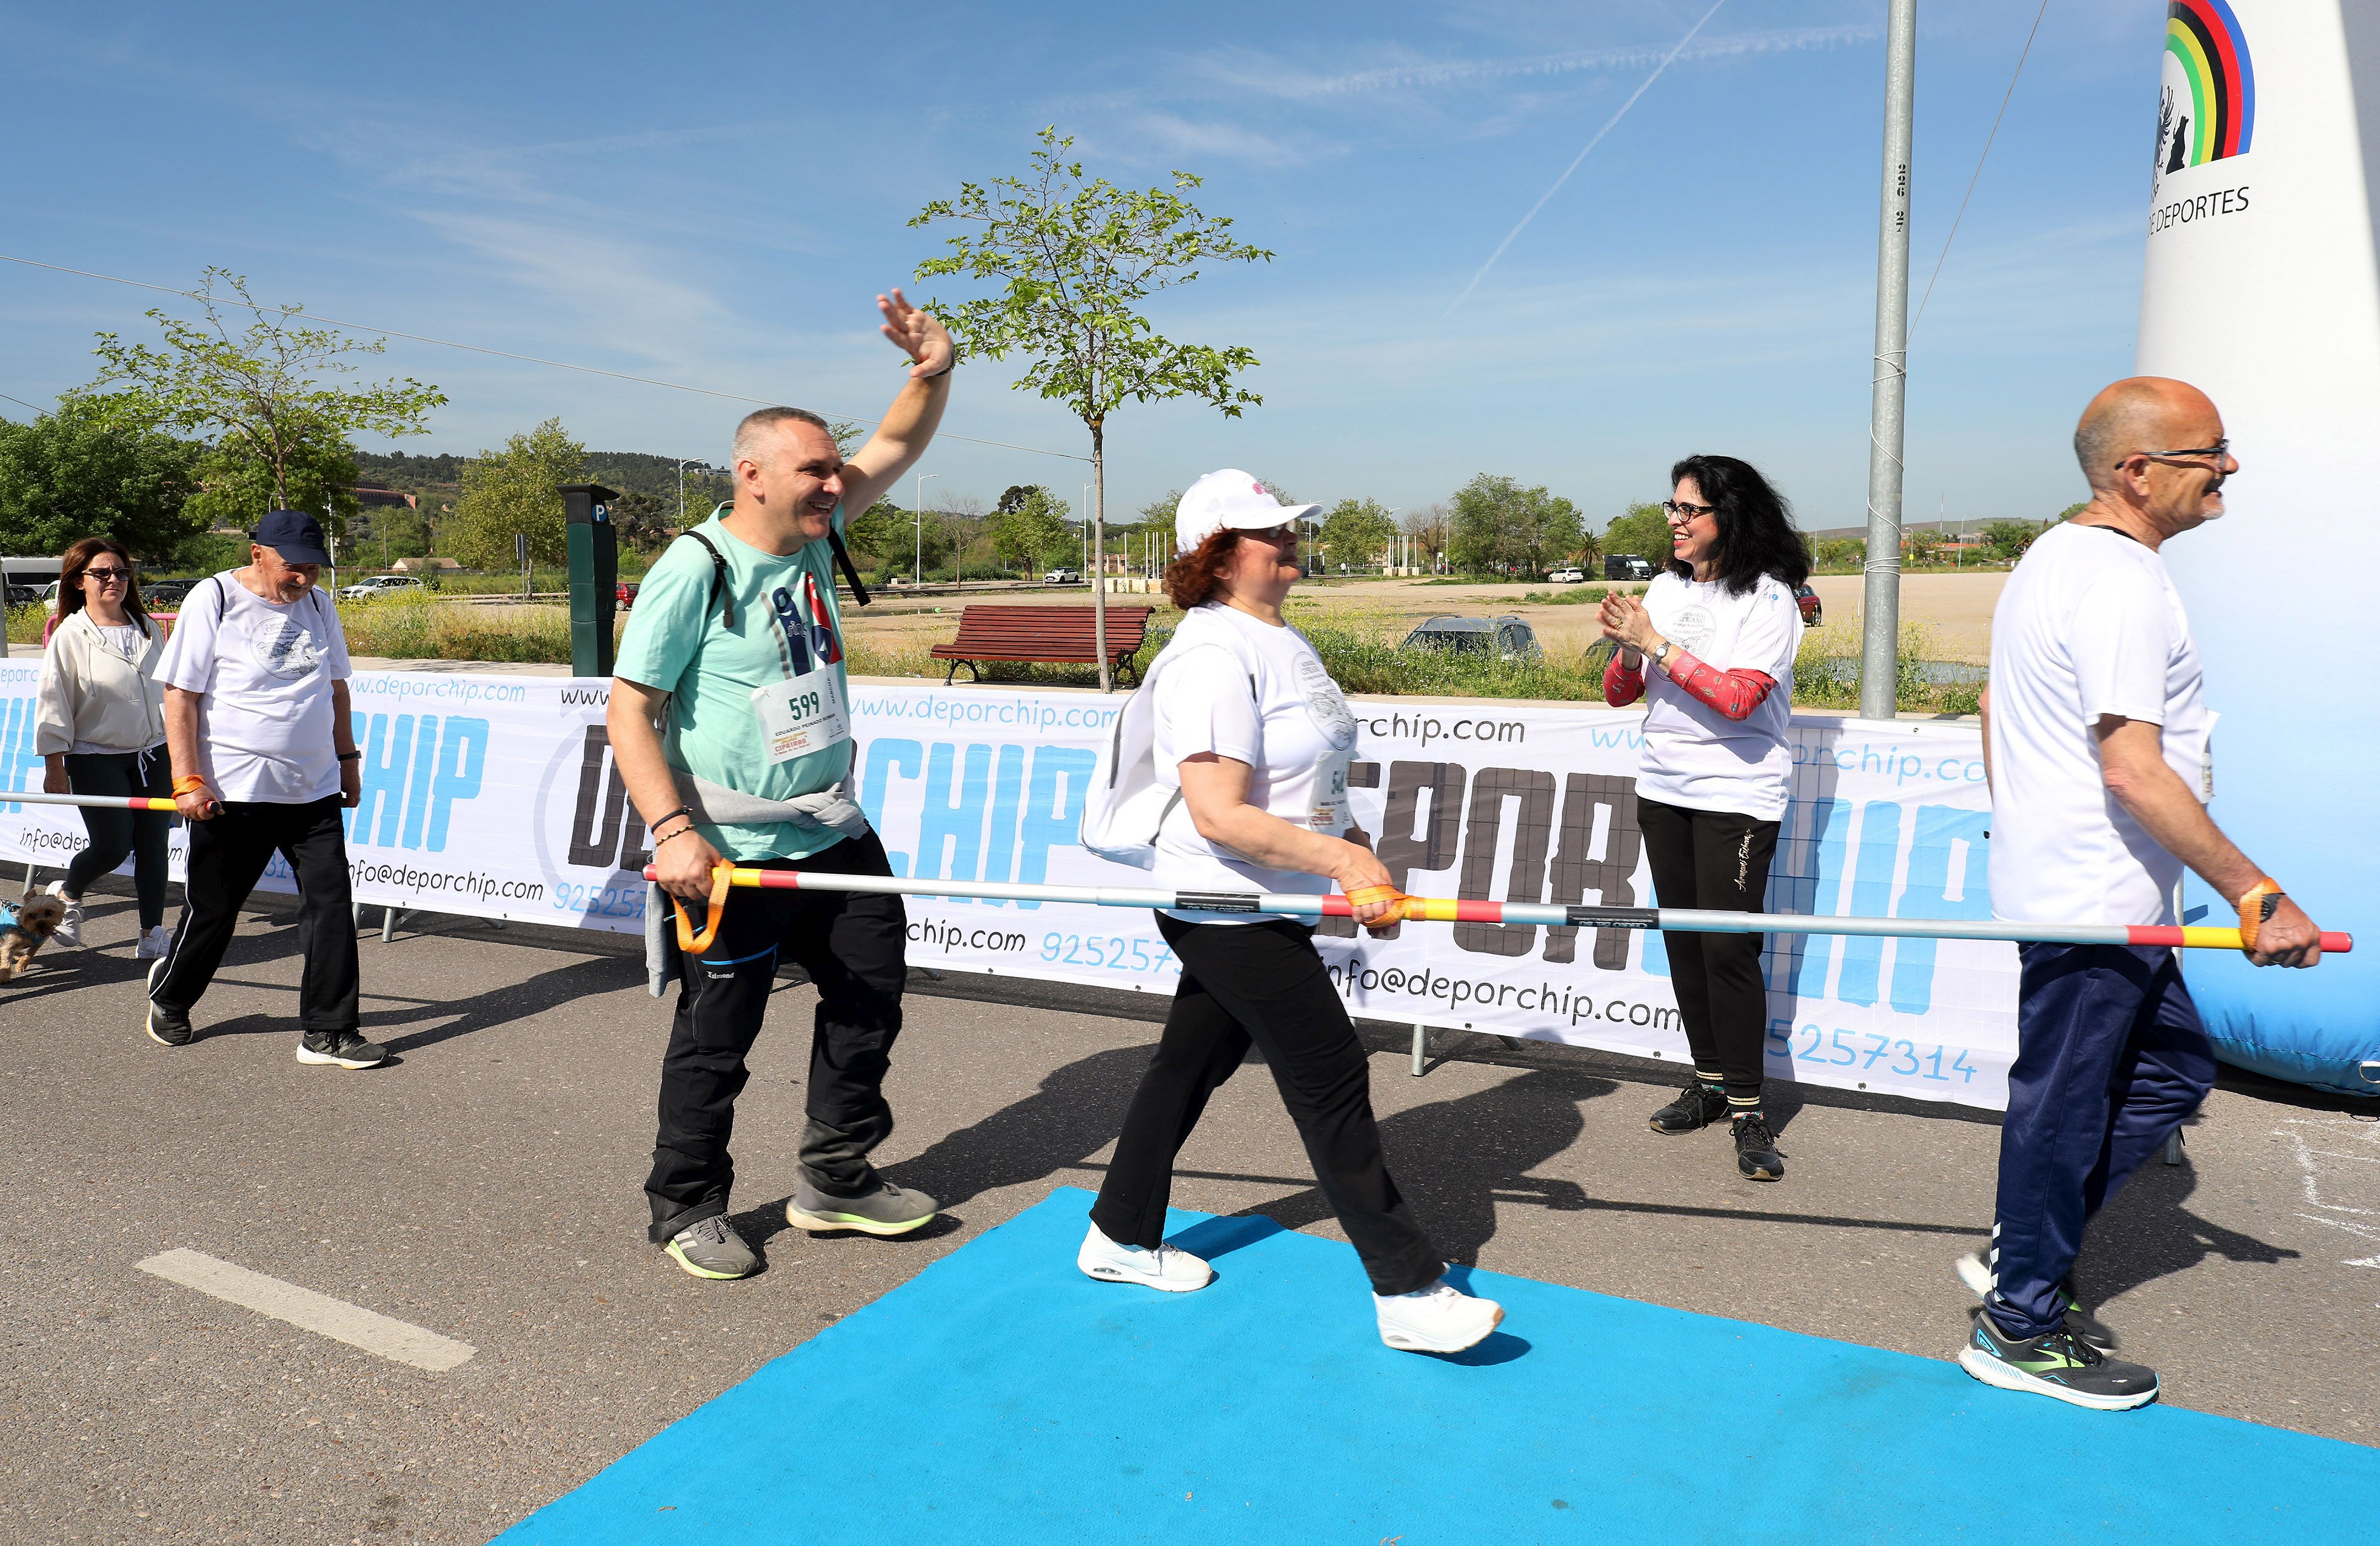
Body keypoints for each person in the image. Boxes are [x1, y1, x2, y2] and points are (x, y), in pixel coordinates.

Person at [1078, 468, 1506, 1356]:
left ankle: (1117, 1231)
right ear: (1218, 554)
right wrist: (1345, 861)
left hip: (1272, 895)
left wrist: (1360, 862)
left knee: (1187, 1063)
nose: (1289, 540)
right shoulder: (1208, 654)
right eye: (1269, 530)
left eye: (1288, 526)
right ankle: (1407, 1286)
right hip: (1220, 897)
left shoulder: (1282, 639)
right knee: (1331, 1076)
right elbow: (1218, 812)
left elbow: (1312, 785)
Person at [1957, 377, 2324, 1410]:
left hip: (2092, 886)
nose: (2229, 466)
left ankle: (2021, 1245)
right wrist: (2258, 896)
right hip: (2092, 897)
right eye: (2210, 451)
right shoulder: (2119, 580)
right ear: (2138, 472)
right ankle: (2017, 1320)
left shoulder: (2052, 556)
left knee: (2168, 1074)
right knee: (2064, 1110)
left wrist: (2023, 814)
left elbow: (1995, 704)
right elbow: (2133, 767)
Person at [609, 289, 952, 1282]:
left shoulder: (815, 530)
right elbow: (628, 710)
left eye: (831, 471)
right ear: (749, 475)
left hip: (835, 831)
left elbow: (896, 443)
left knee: (868, 1001)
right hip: (730, 850)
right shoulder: (696, 568)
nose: (833, 484)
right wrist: (672, 831)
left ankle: (837, 1177)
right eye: (813, 471)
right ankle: (685, 1205)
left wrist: (933, 371)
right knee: (718, 1038)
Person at [1597, 455, 1808, 1182]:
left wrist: (1655, 642)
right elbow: (1619, 693)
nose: (1675, 521)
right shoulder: (1664, 586)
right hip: (1663, 787)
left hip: (1736, 794)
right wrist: (1630, 649)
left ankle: (1751, 1111)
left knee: (1726, 948)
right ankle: (1711, 1083)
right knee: (1684, 943)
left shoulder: (1770, 600)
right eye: (1673, 507)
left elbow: (1739, 699)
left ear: (1731, 517)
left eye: (1691, 509)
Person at [144, 510, 379, 1069]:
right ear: (257, 554)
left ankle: (328, 1030)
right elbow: (179, 695)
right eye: (293, 567)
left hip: (313, 787)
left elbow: (336, 689)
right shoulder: (216, 598)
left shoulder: (320, 605)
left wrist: (347, 762)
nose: (304, 579)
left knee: (330, 907)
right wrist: (187, 779)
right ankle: (171, 997)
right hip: (234, 789)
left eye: (313, 569)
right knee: (215, 911)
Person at [35, 538, 174, 958]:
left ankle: (152, 934)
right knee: (113, 845)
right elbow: (53, 701)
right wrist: (54, 765)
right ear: (80, 581)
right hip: (95, 755)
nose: (114, 580)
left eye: (122, 572)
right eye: (102, 573)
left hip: (153, 752)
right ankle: (69, 890)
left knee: (154, 845)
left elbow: (170, 692)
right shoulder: (69, 636)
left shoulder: (147, 628)